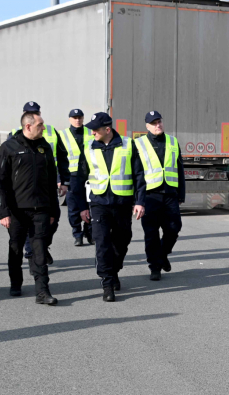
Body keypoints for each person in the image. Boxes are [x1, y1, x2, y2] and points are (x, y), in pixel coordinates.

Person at [71, 112, 145, 302]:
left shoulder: (128, 145)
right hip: (99, 203)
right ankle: (107, 283)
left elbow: (139, 175)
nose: (92, 132)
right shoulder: (88, 147)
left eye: (95, 129)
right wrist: (82, 207)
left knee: (122, 242)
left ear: (107, 129)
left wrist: (139, 201)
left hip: (122, 203)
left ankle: (114, 271)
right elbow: (78, 179)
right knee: (102, 242)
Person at [0, 110, 59, 305]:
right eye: (40, 125)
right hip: (17, 210)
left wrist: (53, 210)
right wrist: (3, 211)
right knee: (15, 247)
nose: (43, 128)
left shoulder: (45, 147)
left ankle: (42, 291)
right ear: (28, 126)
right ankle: (16, 283)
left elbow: (51, 181)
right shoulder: (9, 147)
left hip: (41, 209)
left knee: (39, 250)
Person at [11, 102, 69, 264]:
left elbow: (62, 156)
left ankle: (42, 247)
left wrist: (64, 181)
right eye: (30, 112)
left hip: (46, 186)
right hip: (24, 190)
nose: (34, 114)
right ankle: (33, 254)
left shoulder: (50, 131)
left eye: (36, 112)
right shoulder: (15, 135)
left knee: (53, 219)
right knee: (30, 224)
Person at [133, 110, 185, 281]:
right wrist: (137, 199)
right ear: (147, 126)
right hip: (149, 196)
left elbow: (179, 169)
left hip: (170, 194)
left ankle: (162, 254)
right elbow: (135, 173)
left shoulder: (172, 141)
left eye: (159, 121)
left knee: (174, 227)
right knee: (151, 234)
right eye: (154, 123)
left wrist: (181, 194)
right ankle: (155, 267)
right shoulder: (138, 144)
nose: (158, 125)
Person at [59, 108, 95, 247]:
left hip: (90, 174)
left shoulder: (90, 132)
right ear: (69, 119)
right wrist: (60, 178)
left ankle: (89, 233)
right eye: (75, 118)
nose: (77, 120)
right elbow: (59, 158)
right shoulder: (62, 134)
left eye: (80, 117)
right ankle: (77, 234)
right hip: (72, 175)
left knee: (90, 205)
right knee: (73, 208)